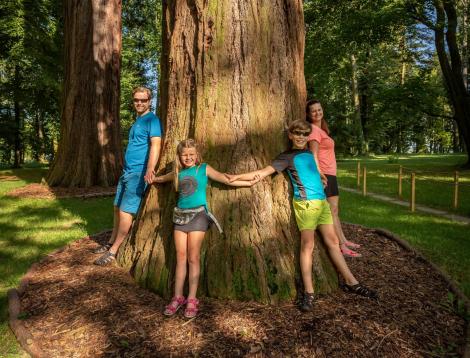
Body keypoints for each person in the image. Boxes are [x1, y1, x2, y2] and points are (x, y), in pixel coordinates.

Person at [227, 120, 377, 312]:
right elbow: (262, 173)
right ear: (290, 135)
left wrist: (321, 178)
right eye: (296, 133)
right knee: (308, 246)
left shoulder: (307, 152)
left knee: (332, 243)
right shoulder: (287, 157)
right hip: (306, 206)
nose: (301, 137)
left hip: (322, 204)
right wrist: (235, 177)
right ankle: (309, 292)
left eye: (304, 134)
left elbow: (312, 172)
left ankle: (351, 281)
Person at [153, 139, 258, 318]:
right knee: (180, 257)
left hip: (198, 215)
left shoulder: (203, 169)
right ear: (179, 156)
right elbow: (161, 178)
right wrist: (152, 178)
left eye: (191, 154)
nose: (188, 157)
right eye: (184, 155)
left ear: (197, 155)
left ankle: (192, 298)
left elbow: (226, 178)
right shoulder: (177, 172)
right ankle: (178, 297)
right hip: (179, 215)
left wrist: (247, 183)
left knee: (193, 257)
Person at [93, 87, 162, 266]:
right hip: (127, 172)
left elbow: (155, 145)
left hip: (139, 173)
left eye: (143, 100)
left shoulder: (152, 120)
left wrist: (150, 168)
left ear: (149, 101)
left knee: (126, 211)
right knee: (117, 207)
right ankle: (109, 242)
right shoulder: (137, 121)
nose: (139, 103)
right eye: (136, 100)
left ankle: (113, 251)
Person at [306, 99, 361, 258]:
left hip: (331, 173)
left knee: (334, 210)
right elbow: (314, 155)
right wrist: (320, 175)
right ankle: (342, 246)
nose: (317, 112)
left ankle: (343, 240)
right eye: (313, 111)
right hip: (325, 174)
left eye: (319, 109)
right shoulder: (314, 130)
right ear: (309, 115)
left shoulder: (322, 130)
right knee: (332, 211)